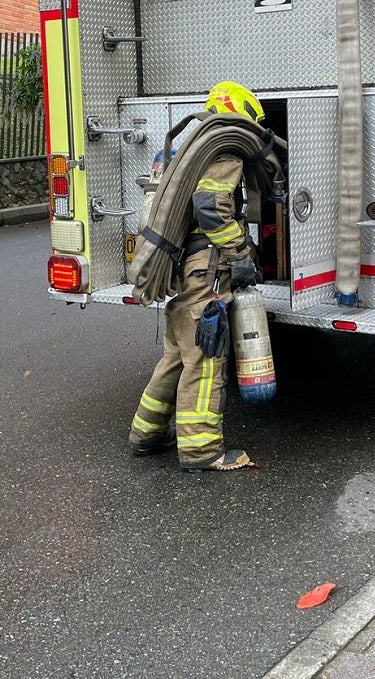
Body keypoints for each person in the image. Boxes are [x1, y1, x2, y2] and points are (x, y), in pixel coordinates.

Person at [127, 80, 264, 472]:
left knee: (176, 355)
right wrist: (239, 253)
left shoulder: (181, 149)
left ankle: (146, 434)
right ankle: (202, 451)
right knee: (205, 357)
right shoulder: (222, 149)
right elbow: (210, 204)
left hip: (178, 266)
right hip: (205, 271)